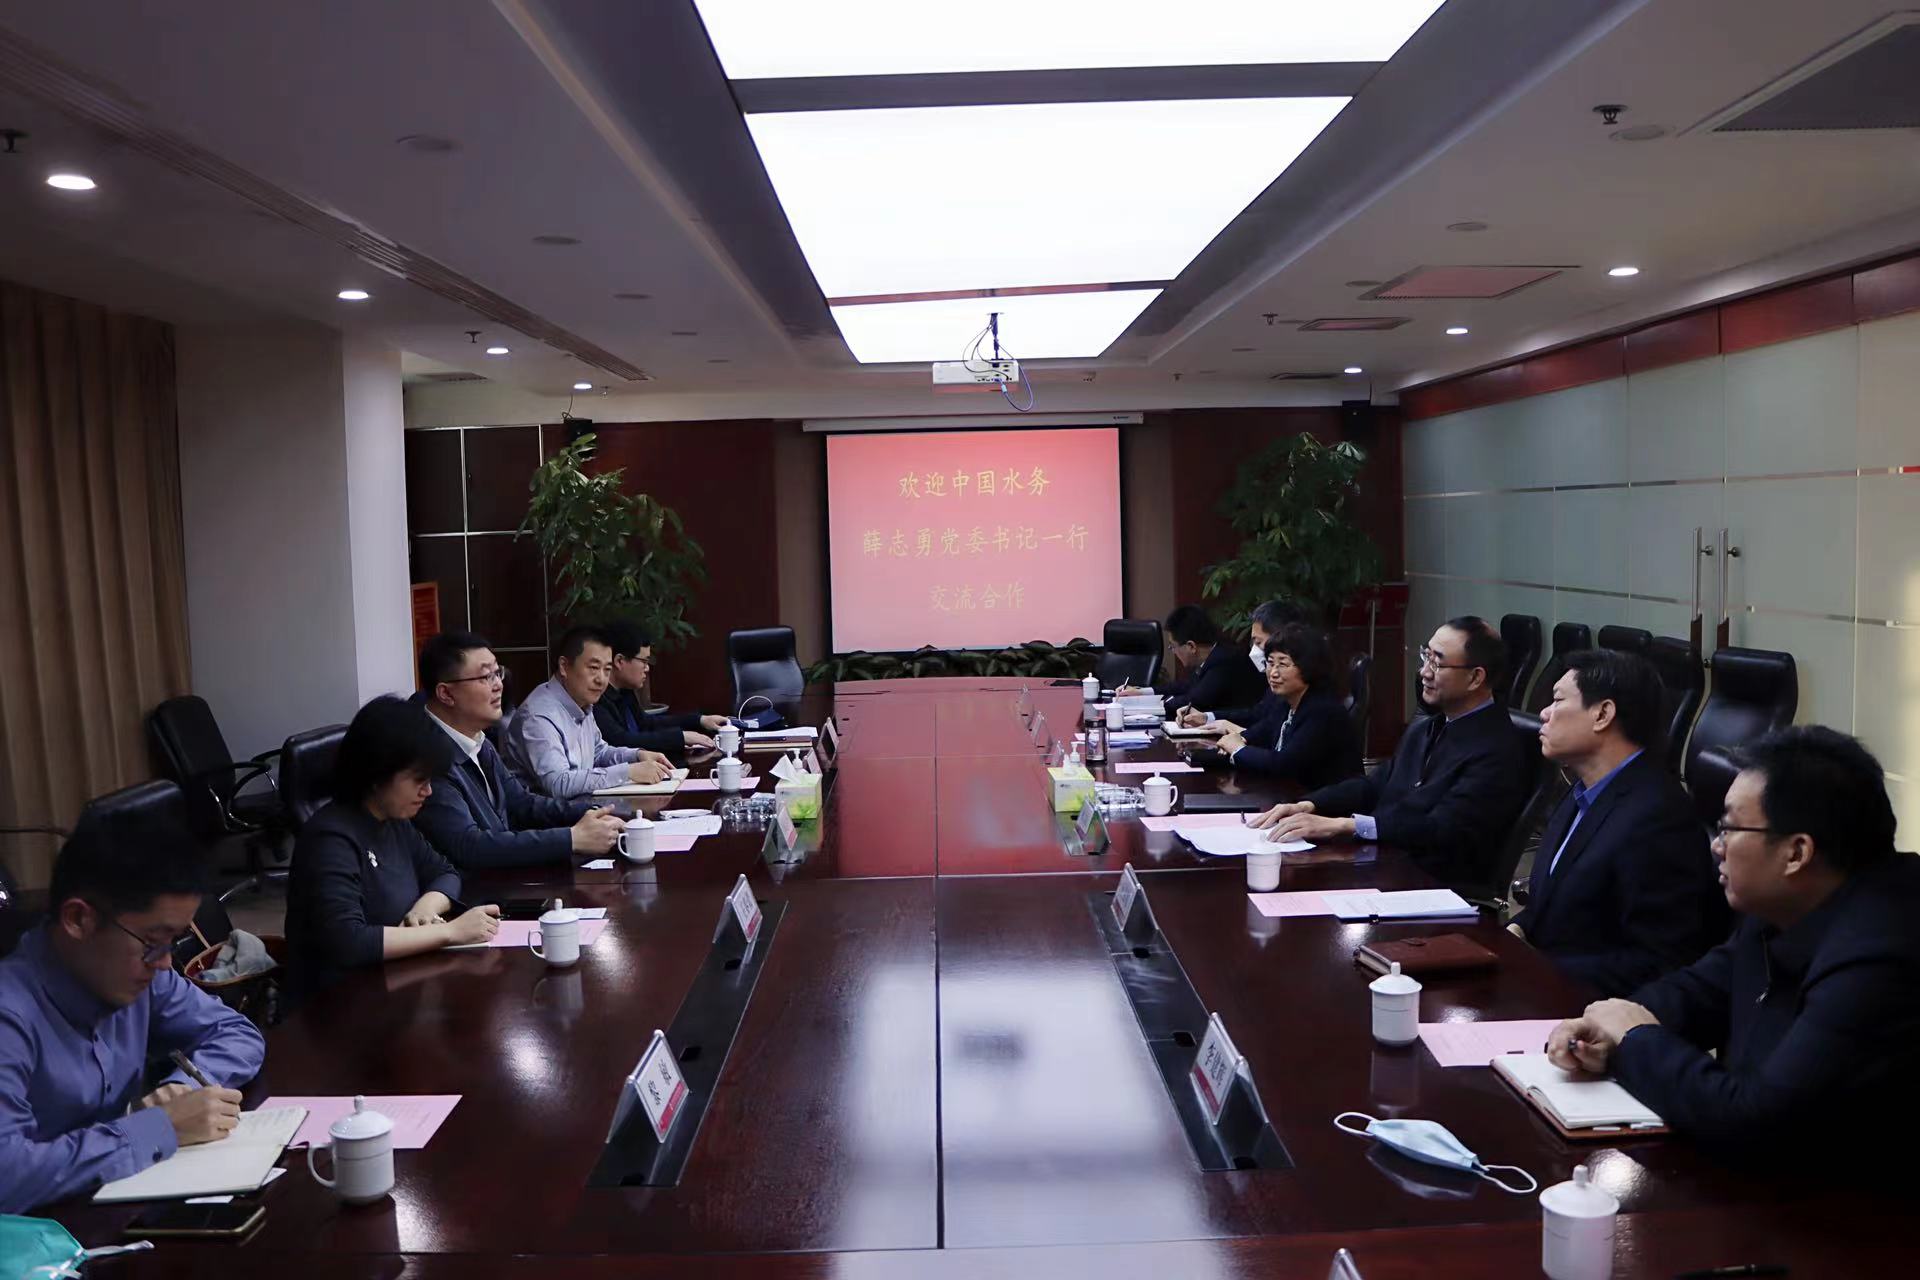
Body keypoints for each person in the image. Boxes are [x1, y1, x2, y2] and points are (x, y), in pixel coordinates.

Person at [1547, 727, 1920, 1162]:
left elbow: (1756, 1119)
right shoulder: (1784, 904)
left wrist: (1633, 1039)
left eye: (1728, 829)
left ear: (1796, 853)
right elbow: (1701, 990)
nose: (1716, 846)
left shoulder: (1881, 954)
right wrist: (1605, 1027)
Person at [0, 817, 265, 1212]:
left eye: (173, 942)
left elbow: (236, 1032)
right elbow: (7, 1174)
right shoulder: (10, 1015)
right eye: (153, 942)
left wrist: (183, 1093)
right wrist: (160, 1127)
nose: (165, 964)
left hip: (116, 1205)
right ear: (79, 920)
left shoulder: (143, 974)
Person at [1251, 616, 1529, 888]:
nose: (1424, 672)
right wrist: (1308, 804)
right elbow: (1373, 785)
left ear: (1475, 677)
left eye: (1437, 663)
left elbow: (1440, 829)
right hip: (1382, 861)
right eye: (1426, 657)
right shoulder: (1428, 727)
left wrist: (1344, 826)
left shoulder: (1497, 749)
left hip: (1428, 884)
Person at [1510, 650, 1728, 995]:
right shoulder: (1582, 792)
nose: (1544, 713)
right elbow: (1551, 907)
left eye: (1558, 700)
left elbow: (1658, 961)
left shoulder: (1658, 817)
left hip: (1592, 1010)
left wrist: (1534, 969)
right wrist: (1516, 931)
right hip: (1542, 990)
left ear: (1602, 714)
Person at [285, 696, 503, 1004]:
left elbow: (444, 871)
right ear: (377, 774)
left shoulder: (394, 820)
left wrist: (425, 909)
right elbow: (348, 941)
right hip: (335, 1006)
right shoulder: (330, 838)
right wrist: (451, 932)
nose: (428, 791)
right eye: (418, 780)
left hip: (391, 987)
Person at [412, 631, 623, 870]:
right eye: (485, 677)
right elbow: (470, 847)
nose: (498, 685)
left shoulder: (478, 740)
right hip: (475, 889)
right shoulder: (426, 757)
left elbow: (521, 803)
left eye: (497, 673)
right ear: (446, 694)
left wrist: (594, 812)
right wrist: (571, 839)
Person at [504, 624, 675, 800]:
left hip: (581, 808)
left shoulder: (581, 701)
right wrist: (628, 772)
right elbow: (558, 784)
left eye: (607, 670)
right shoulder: (538, 716)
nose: (601, 680)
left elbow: (599, 753)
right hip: (546, 815)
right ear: (564, 666)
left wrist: (637, 755)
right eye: (593, 668)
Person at [1216, 623, 1361, 790]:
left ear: (1308, 666)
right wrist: (1225, 746)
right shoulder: (1285, 704)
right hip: (1289, 795)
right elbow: (1255, 735)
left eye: (1283, 664)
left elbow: (1284, 764)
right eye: (1270, 663)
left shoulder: (1322, 711)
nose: (1273, 673)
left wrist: (1238, 749)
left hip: (1324, 802)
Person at [595, 619, 732, 756]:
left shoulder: (624, 690)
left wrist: (700, 720)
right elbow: (621, 741)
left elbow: (646, 724)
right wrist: (680, 737)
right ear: (619, 661)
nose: (647, 668)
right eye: (644, 661)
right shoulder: (596, 697)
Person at [1177, 599, 1311, 730]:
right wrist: (1207, 718)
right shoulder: (1275, 685)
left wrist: (1234, 731)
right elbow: (1257, 716)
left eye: (1259, 642)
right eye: (1253, 643)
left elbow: (1270, 737)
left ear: (1280, 638)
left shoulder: (1310, 702)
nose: (1254, 650)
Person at [1129, 604, 1267, 715]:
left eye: (1173, 646)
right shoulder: (1215, 654)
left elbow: (1194, 700)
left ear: (1191, 646)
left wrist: (1144, 706)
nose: (1173, 652)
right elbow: (1185, 686)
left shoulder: (1224, 662)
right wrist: (1142, 692)